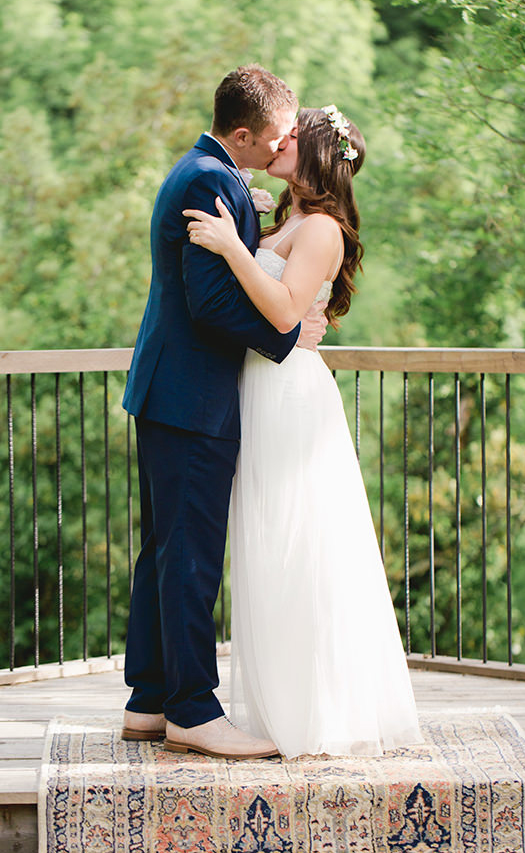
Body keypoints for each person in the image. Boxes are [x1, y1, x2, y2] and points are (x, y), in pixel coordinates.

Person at [183, 105, 422, 758]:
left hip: (290, 396)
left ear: (315, 152)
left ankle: (315, 713)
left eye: (293, 137)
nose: (279, 141)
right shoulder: (290, 217)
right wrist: (254, 232)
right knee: (265, 545)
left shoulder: (322, 229)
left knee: (299, 542)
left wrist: (235, 245)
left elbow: (288, 310)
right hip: (260, 387)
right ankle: (274, 707)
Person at [120, 65, 328, 760]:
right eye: (274, 137)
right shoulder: (209, 181)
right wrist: (286, 336)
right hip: (192, 395)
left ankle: (150, 700)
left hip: (172, 391)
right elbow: (209, 302)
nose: (282, 146)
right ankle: (192, 711)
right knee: (190, 558)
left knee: (165, 551)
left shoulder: (206, 169)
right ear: (243, 134)